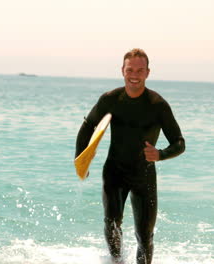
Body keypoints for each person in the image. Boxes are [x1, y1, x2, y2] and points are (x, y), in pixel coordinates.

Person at [75, 48, 185, 264]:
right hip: (115, 172)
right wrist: (82, 159)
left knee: (145, 235)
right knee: (112, 223)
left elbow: (179, 143)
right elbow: (88, 125)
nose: (134, 75)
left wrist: (160, 154)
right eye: (130, 70)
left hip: (143, 175)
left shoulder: (157, 105)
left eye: (140, 70)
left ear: (147, 72)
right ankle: (116, 261)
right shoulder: (110, 99)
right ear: (122, 71)